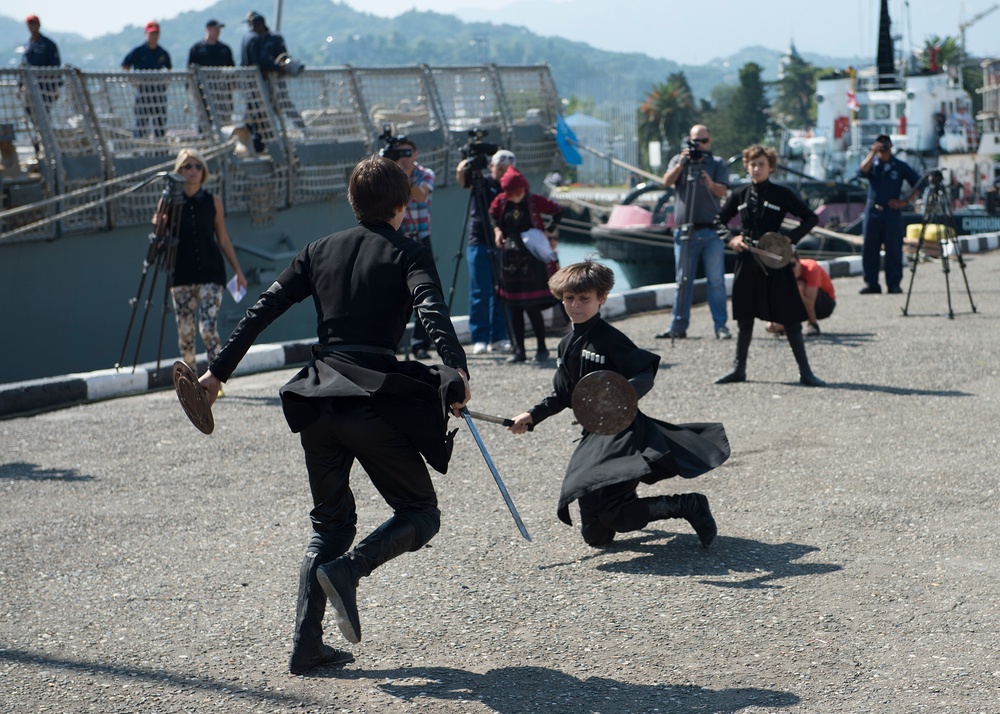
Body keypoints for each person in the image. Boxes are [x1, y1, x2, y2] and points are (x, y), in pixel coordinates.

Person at [197, 155, 470, 675]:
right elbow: (431, 309)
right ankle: (352, 570)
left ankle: (306, 647)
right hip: (371, 399)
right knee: (420, 512)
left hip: (317, 398)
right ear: (400, 205)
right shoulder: (409, 252)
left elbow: (260, 311)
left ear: (353, 202)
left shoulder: (316, 250)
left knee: (329, 525)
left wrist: (217, 375)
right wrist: (455, 370)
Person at [507, 260, 729, 548]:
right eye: (569, 298)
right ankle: (625, 499)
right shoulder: (566, 344)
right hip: (593, 435)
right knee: (596, 536)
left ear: (602, 298)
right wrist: (532, 415)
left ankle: (688, 504)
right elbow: (564, 394)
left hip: (621, 433)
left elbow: (644, 372)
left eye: (584, 298)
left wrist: (619, 397)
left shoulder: (611, 339)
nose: (576, 305)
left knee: (618, 517)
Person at [715, 145, 824, 387]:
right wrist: (731, 238)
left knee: (791, 317)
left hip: (776, 262)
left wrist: (790, 238)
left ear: (770, 167)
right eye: (752, 164)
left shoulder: (781, 194)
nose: (756, 169)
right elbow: (719, 220)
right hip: (747, 260)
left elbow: (811, 217)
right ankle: (738, 370)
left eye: (761, 164)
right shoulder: (739, 194)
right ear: (747, 166)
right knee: (744, 318)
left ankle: (806, 373)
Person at [161, 149, 246, 371]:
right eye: (187, 167)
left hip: (211, 272)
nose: (192, 171)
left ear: (204, 171)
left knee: (207, 328)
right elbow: (159, 234)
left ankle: (215, 375)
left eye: (197, 166)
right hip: (181, 275)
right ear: (178, 171)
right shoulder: (170, 203)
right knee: (186, 334)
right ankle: (190, 384)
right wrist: (161, 215)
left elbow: (223, 238)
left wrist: (238, 270)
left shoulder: (213, 201)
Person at [656, 124, 732, 340]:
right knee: (682, 280)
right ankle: (677, 327)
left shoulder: (717, 164)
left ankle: (721, 327)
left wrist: (707, 179)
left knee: (716, 281)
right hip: (684, 230)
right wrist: (681, 165)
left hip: (711, 231)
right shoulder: (680, 161)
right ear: (688, 140)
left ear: (710, 141)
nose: (699, 145)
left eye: (704, 141)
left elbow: (722, 191)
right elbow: (666, 182)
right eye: (695, 141)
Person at [489, 168, 563, 363]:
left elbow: (557, 210)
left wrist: (549, 230)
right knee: (514, 306)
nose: (516, 195)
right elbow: (493, 216)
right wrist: (497, 231)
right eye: (512, 192)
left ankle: (542, 348)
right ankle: (519, 350)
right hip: (510, 260)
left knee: (531, 305)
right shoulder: (501, 202)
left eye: (519, 191)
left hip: (531, 259)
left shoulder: (533, 200)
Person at [456, 149, 515, 355]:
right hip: (479, 241)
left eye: (507, 169)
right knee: (480, 291)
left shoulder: (510, 187)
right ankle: (480, 337)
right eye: (500, 168)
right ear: (492, 167)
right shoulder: (483, 182)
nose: (503, 172)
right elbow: (464, 180)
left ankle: (499, 336)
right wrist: (464, 165)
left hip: (501, 243)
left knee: (501, 291)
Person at [858, 135, 921, 294]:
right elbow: (861, 170)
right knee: (870, 249)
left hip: (891, 213)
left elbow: (919, 183)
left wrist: (905, 202)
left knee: (893, 249)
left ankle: (894, 283)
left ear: (891, 145)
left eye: (885, 143)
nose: (882, 146)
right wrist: (872, 153)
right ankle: (871, 283)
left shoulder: (899, 166)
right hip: (873, 211)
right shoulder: (873, 164)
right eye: (880, 143)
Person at [395, 137, 437, 359]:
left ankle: (420, 343)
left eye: (407, 152)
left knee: (425, 288)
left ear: (416, 153)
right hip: (398, 237)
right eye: (399, 153)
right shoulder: (390, 175)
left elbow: (420, 195)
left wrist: (403, 178)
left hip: (420, 237)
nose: (404, 157)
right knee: (398, 290)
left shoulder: (425, 174)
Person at [240, 11, 289, 152]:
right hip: (258, 85)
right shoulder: (255, 39)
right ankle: (258, 147)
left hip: (250, 85)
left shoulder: (247, 38)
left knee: (254, 115)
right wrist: (276, 67)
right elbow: (260, 60)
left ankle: (253, 143)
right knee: (261, 117)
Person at [122, 21, 172, 140]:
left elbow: (169, 69)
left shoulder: (162, 52)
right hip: (143, 90)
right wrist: (133, 82)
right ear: (146, 34)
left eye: (155, 34)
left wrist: (166, 83)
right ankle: (138, 149)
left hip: (158, 91)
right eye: (151, 34)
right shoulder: (138, 51)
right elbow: (125, 66)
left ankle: (160, 149)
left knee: (160, 122)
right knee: (141, 122)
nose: (153, 36)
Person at [766, 252, 836, 337]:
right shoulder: (785, 274)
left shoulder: (811, 268)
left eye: (792, 265)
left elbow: (810, 302)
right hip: (801, 305)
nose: (791, 270)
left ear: (799, 261)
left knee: (799, 286)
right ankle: (790, 324)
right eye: (787, 267)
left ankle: (813, 324)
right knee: (771, 327)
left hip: (824, 305)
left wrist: (796, 290)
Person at [20, 15, 62, 153]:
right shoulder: (27, 45)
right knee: (32, 116)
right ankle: (40, 143)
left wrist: (55, 88)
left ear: (39, 25)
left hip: (45, 88)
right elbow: (23, 66)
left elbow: (55, 67)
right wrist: (19, 87)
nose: (32, 26)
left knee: (43, 116)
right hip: (29, 89)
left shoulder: (48, 45)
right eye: (29, 24)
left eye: (34, 24)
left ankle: (46, 145)